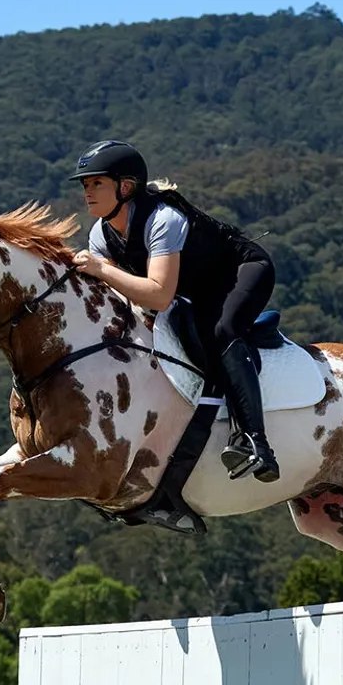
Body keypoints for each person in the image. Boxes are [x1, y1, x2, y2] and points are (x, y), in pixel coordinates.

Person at [70, 139, 280, 484]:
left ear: (125, 187)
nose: (87, 192)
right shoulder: (101, 235)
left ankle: (255, 442)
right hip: (195, 290)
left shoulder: (163, 219)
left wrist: (102, 269)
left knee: (222, 332)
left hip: (241, 271)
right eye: (85, 185)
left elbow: (159, 295)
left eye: (96, 183)